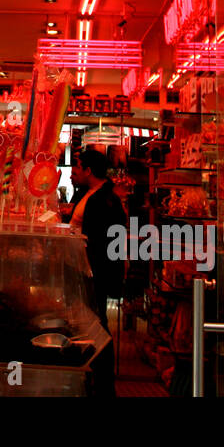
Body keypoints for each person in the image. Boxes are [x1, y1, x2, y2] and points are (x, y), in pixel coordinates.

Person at [67, 148, 126, 397]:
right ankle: (92, 377)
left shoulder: (105, 200)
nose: (72, 173)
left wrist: (93, 273)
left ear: (89, 171)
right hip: (86, 271)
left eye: (77, 168)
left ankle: (103, 384)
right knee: (91, 323)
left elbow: (103, 242)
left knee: (97, 325)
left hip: (94, 273)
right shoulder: (89, 194)